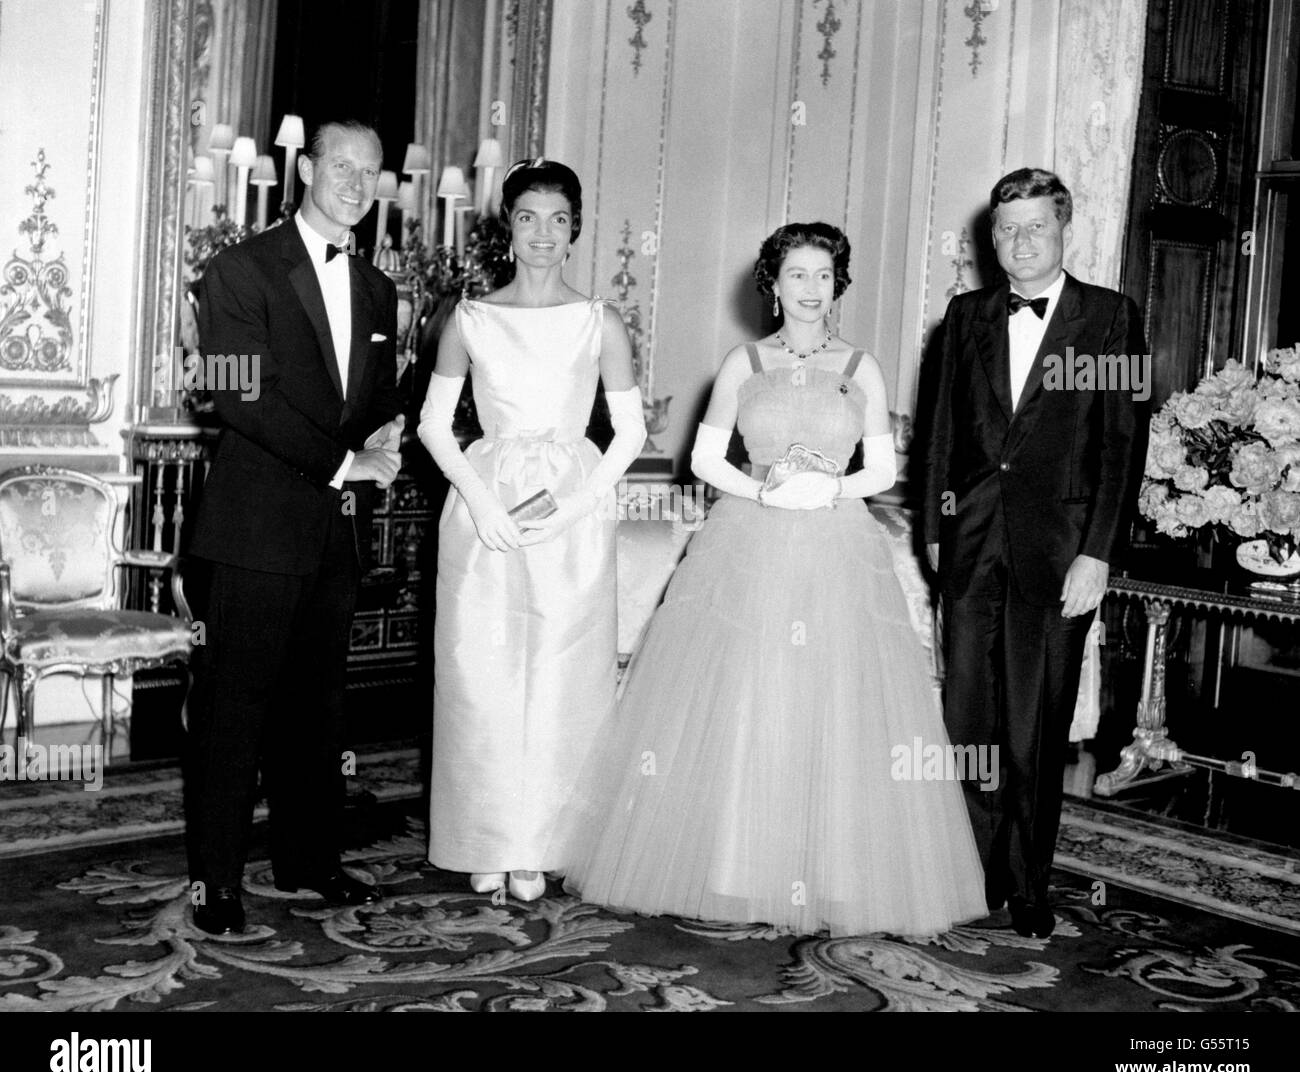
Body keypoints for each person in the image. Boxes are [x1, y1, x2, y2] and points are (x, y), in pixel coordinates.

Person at [548, 223, 988, 938]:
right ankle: (739, 868)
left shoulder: (861, 367)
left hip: (838, 550)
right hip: (749, 545)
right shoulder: (743, 362)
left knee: (837, 706)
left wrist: (828, 490)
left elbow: (881, 466)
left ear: (837, 284)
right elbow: (705, 459)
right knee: (752, 697)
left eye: (822, 275)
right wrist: (763, 493)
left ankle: (836, 873)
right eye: (796, 276)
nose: (810, 290)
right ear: (773, 286)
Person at [185, 119, 404, 937]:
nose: (355, 182)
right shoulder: (237, 269)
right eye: (340, 165)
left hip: (331, 535)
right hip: (252, 531)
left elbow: (372, 401)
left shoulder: (379, 290)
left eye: (370, 172)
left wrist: (385, 435)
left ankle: (308, 859)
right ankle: (216, 883)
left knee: (318, 711)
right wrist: (344, 463)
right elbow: (233, 396)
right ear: (304, 168)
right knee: (233, 712)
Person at [922, 168, 1148, 938]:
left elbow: (1123, 445)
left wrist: (1100, 553)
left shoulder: (1111, 318)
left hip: (1062, 556)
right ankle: (972, 873)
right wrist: (932, 528)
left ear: (1064, 231)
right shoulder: (964, 317)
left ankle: (1027, 882)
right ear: (992, 240)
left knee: (1035, 725)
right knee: (969, 718)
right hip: (971, 544)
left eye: (1036, 228)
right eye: (1007, 230)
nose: (1020, 243)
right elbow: (940, 433)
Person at [418, 158, 646, 902]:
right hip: (484, 505)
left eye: (557, 219)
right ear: (507, 227)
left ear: (574, 228)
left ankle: (541, 844)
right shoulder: (470, 317)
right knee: (480, 673)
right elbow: (431, 425)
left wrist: (568, 508)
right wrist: (484, 506)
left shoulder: (599, 320)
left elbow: (631, 434)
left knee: (559, 680)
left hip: (570, 512)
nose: (541, 234)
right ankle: (488, 834)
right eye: (526, 217)